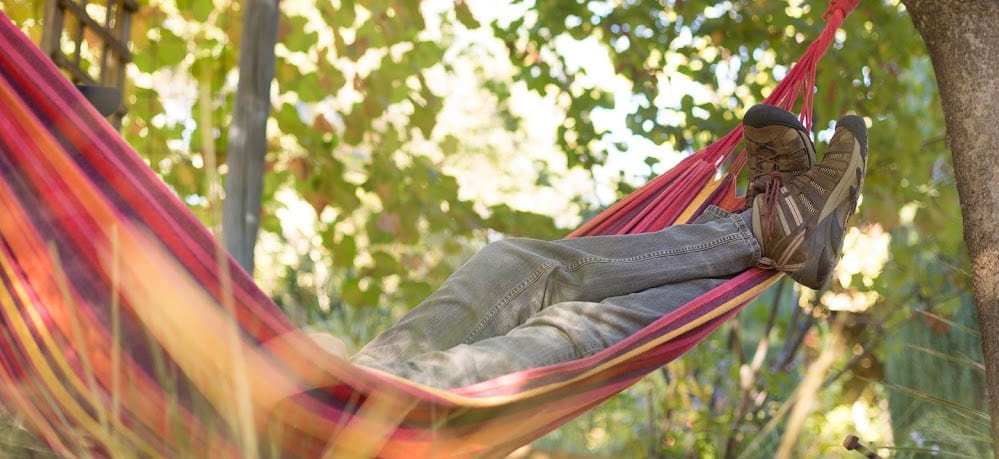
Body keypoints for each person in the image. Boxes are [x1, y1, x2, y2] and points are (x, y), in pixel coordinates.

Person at [347, 105, 868, 388]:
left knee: (516, 266)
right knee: (575, 327)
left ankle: (762, 232)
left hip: (341, 398)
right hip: (382, 414)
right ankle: (760, 233)